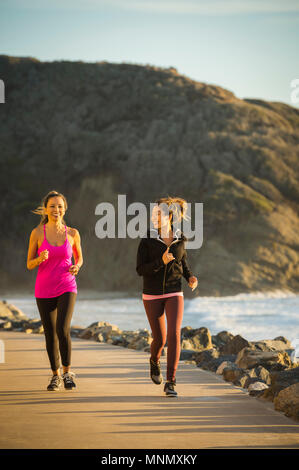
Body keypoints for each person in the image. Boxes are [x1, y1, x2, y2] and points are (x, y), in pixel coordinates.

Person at [136, 196, 198, 397]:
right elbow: (140, 269)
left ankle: (171, 382)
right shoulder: (147, 240)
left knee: (174, 334)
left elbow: (183, 263)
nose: (154, 217)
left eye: (158, 214)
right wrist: (160, 262)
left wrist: (190, 277)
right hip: (152, 294)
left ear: (169, 216)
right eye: (153, 214)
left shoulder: (180, 238)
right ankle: (154, 360)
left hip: (174, 290)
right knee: (160, 339)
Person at [27, 190, 83, 391]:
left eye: (59, 206)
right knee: (50, 334)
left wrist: (77, 266)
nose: (56, 209)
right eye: (52, 206)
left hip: (67, 285)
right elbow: (29, 264)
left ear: (64, 209)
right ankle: (55, 375)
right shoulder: (37, 233)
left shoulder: (73, 233)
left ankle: (68, 372)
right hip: (43, 289)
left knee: (63, 329)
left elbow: (79, 258)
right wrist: (39, 259)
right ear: (45, 209)